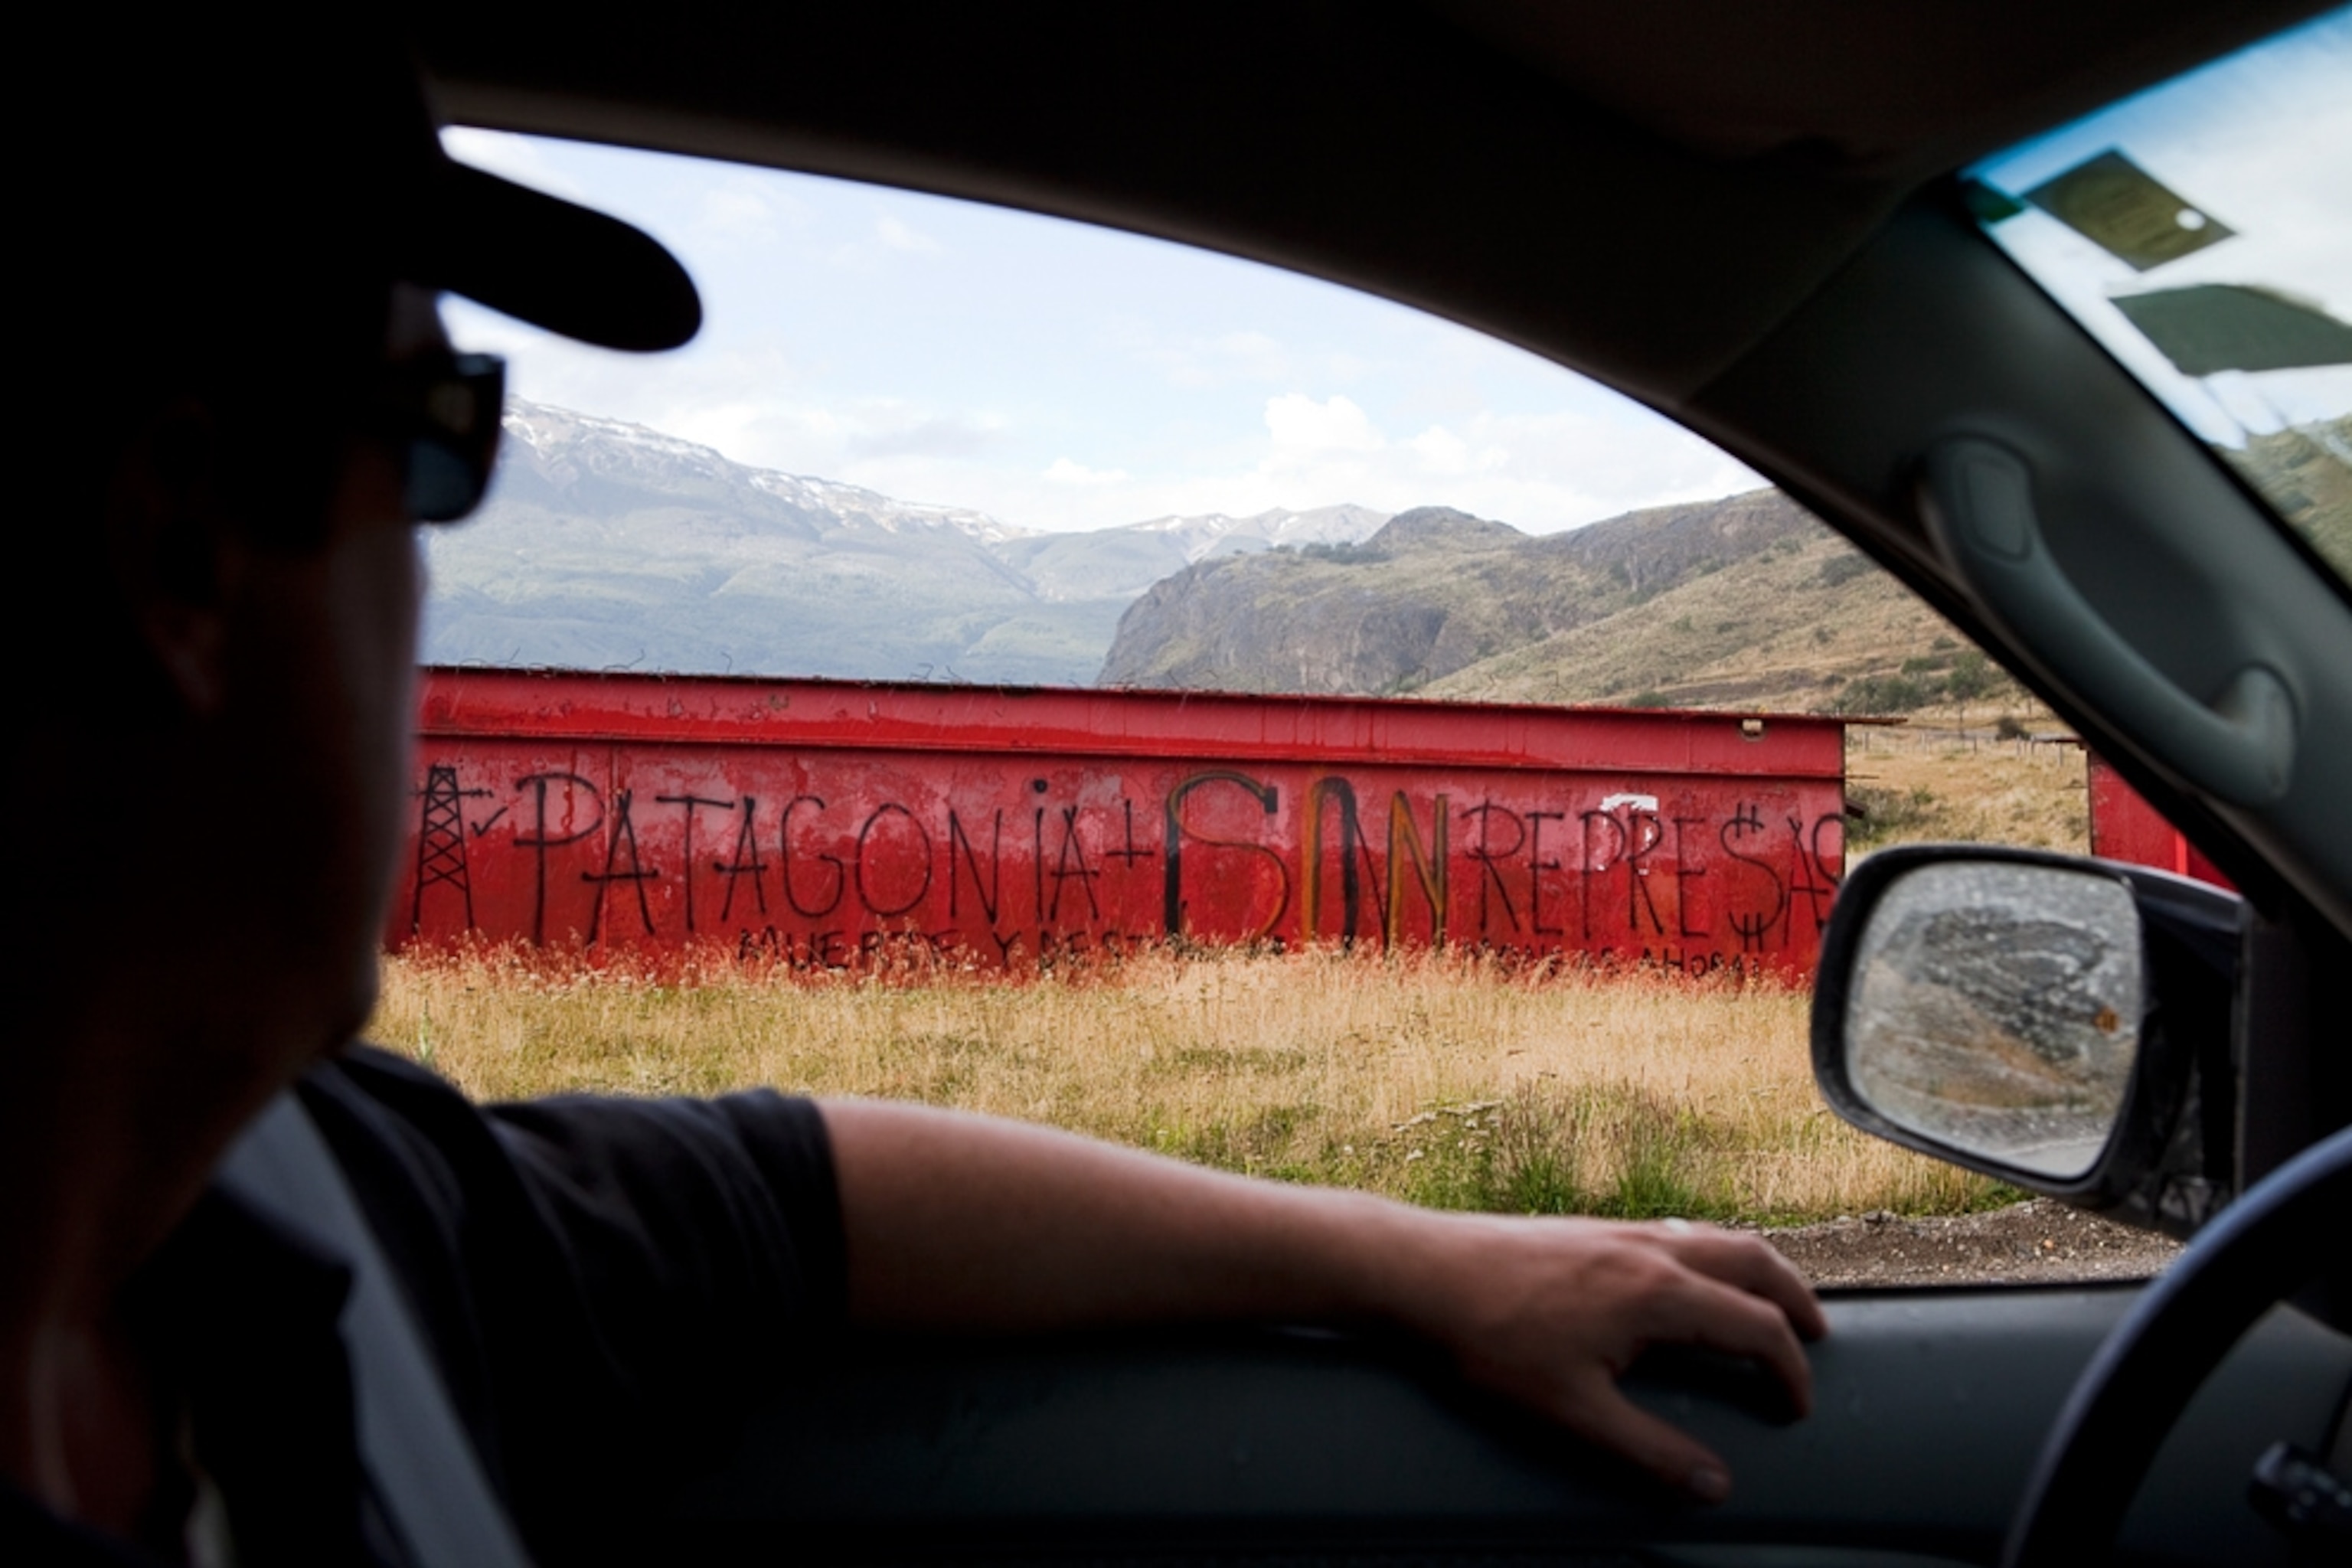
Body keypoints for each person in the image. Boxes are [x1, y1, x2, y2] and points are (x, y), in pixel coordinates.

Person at [4, 18, 1824, 1565]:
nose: (429, 577)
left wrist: (1426, 1262)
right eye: (436, 436)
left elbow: (791, 1191)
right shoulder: (321, 1228)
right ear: (180, 552)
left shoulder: (330, 1203)